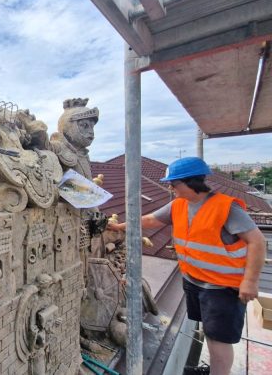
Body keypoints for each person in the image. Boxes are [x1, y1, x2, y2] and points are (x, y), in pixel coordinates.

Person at [108, 157, 266, 375]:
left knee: (219, 340)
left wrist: (250, 281)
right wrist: (119, 226)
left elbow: (257, 241)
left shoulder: (226, 208)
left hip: (222, 288)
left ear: (192, 182)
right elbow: (151, 220)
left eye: (174, 183)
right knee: (210, 333)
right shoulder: (179, 205)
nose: (170, 187)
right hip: (195, 281)